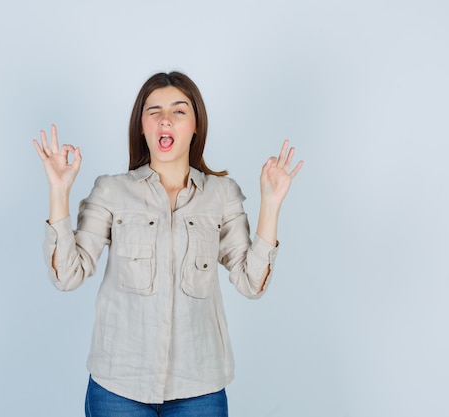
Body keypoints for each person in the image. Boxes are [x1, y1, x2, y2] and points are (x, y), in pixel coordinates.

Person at [33, 71, 303, 417]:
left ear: (195, 126)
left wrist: (271, 202)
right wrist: (59, 192)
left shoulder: (222, 195)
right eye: (153, 111)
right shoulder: (111, 191)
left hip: (200, 387)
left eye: (179, 111)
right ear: (142, 127)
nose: (165, 119)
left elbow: (251, 283)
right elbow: (67, 276)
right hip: (119, 386)